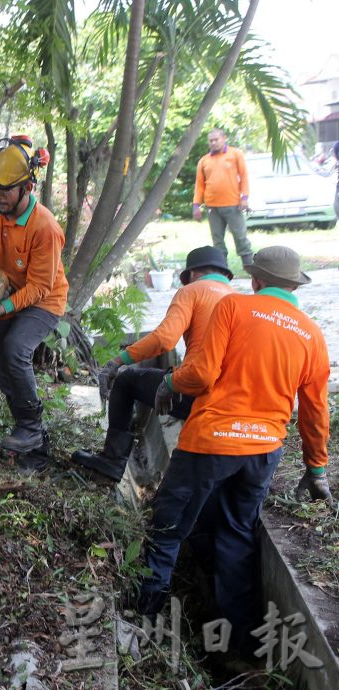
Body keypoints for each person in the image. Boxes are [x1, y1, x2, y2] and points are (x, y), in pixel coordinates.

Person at [134, 246, 332, 658]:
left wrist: (168, 383)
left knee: (168, 526)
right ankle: (238, 650)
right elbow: (315, 410)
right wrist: (316, 468)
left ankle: (142, 624)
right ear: (294, 287)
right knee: (237, 536)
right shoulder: (312, 335)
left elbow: (201, 372)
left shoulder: (234, 307)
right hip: (262, 452)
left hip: (210, 441)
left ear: (255, 280)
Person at [71, 246, 235, 481]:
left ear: (190, 274)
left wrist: (118, 361)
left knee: (127, 381)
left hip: (199, 394)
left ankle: (112, 460)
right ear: (227, 275)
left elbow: (164, 339)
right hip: (235, 403)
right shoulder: (241, 301)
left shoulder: (192, 291)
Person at [0, 135, 68, 453]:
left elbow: (40, 286)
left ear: (27, 187)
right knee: (6, 370)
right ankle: (26, 439)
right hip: (5, 292)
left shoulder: (45, 228)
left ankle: (31, 429)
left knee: (14, 350)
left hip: (43, 301)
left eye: (5, 191)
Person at [193, 128, 253, 268]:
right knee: (217, 241)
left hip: (233, 204)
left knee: (240, 237)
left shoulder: (235, 154)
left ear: (224, 139)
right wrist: (196, 205)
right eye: (211, 141)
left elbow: (244, 177)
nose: (213, 143)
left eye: (216, 140)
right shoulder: (204, 160)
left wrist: (245, 197)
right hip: (212, 207)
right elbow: (199, 185)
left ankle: (250, 268)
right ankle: (222, 269)